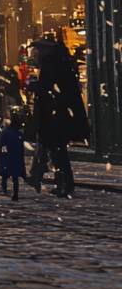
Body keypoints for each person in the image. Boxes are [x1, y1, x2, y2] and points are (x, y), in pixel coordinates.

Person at [28, 38, 90, 198]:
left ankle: (65, 184)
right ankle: (46, 178)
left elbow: (47, 88)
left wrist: (35, 87)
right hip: (58, 113)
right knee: (51, 147)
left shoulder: (51, 65)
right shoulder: (61, 63)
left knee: (56, 149)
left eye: (37, 51)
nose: (35, 54)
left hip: (54, 114)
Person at [0, 116, 26, 202]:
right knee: (15, 176)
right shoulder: (18, 134)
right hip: (16, 156)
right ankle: (15, 192)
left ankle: (5, 189)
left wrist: (3, 153)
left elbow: (2, 144)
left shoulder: (6, 132)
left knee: (5, 173)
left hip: (8, 155)